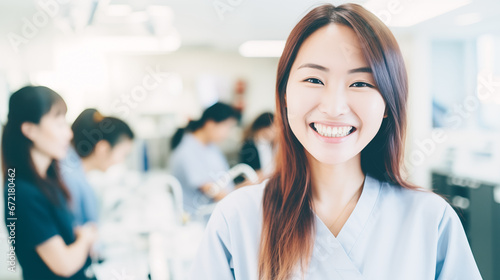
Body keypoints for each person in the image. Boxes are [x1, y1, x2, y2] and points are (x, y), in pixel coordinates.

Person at [190, 4, 481, 280]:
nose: (334, 107)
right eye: (314, 80)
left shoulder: (430, 220)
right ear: (285, 95)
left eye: (361, 83)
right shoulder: (237, 219)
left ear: (387, 105)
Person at [2, 86, 97, 279]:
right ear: (30, 130)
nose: (69, 134)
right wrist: (86, 237)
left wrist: (78, 235)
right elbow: (64, 265)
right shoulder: (23, 192)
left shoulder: (48, 181)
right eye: (59, 124)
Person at [59, 108, 134, 226]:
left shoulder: (76, 172)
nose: (122, 161)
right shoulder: (71, 180)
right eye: (123, 154)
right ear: (103, 149)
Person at [169, 102, 238, 217]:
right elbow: (211, 191)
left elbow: (224, 182)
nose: (227, 134)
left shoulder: (211, 148)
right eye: (227, 127)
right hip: (197, 221)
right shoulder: (187, 151)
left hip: (217, 214)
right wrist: (241, 200)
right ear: (210, 124)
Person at [239, 112, 276, 179]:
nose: (277, 132)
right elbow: (249, 172)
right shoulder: (248, 146)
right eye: (274, 128)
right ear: (264, 127)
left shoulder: (271, 145)